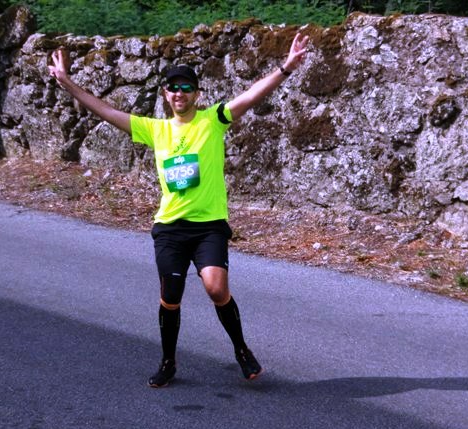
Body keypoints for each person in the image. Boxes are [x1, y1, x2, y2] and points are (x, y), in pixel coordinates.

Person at [49, 33, 309, 387]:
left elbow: (250, 96)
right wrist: (67, 83)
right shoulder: (154, 130)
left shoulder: (213, 119)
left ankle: (241, 350)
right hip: (170, 227)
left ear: (197, 94)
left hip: (209, 226)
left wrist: (286, 67)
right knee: (170, 296)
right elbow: (106, 111)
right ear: (165, 94)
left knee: (216, 289)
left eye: (186, 87)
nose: (179, 93)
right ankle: (168, 361)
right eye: (173, 88)